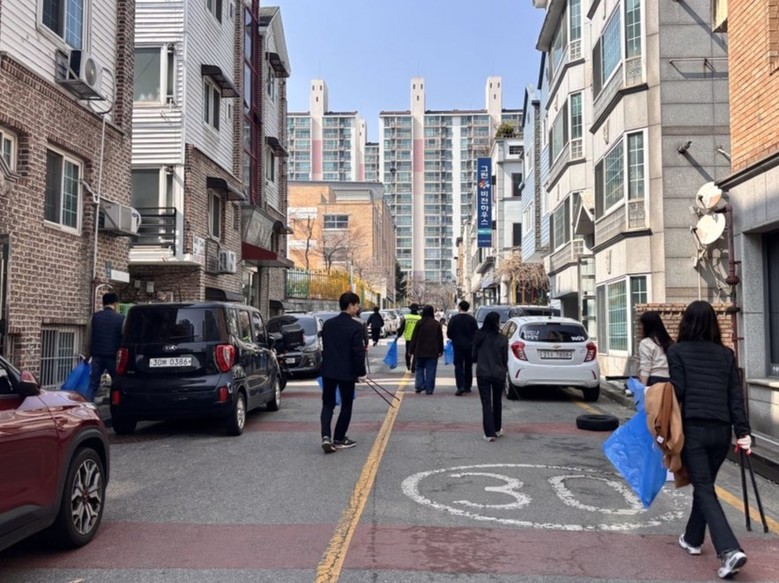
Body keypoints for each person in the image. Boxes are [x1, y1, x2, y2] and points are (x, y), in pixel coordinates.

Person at [667, 300, 751, 579]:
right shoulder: (726, 355)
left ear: (686, 323)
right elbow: (735, 396)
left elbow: (678, 391)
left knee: (703, 488)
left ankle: (729, 550)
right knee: (705, 486)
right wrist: (743, 433)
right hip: (721, 432)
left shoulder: (677, 351)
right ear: (714, 324)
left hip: (693, 429)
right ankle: (692, 539)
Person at [320, 292, 367, 454]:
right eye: (356, 305)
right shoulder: (355, 327)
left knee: (328, 404)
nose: (357, 308)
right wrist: (361, 373)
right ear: (351, 305)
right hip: (347, 373)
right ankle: (339, 438)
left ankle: (326, 436)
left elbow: (325, 346)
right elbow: (358, 353)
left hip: (328, 370)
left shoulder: (328, 324)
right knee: (346, 404)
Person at [472, 311, 508, 441]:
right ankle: (497, 429)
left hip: (483, 373)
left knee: (486, 403)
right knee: (497, 401)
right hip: (498, 373)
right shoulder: (503, 339)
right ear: (497, 323)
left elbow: (473, 356)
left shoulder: (479, 336)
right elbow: (505, 359)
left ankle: (489, 433)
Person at [85, 292, 125, 402]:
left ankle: (88, 406)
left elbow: (88, 338)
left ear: (103, 303)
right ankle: (116, 405)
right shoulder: (121, 318)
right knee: (117, 383)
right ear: (115, 304)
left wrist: (87, 355)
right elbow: (124, 339)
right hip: (113, 356)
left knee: (93, 384)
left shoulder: (94, 317)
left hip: (97, 356)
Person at [408, 305, 444, 394]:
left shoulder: (419, 323)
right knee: (431, 370)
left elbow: (414, 337)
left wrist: (411, 350)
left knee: (419, 368)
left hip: (420, 351)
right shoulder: (436, 324)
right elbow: (440, 338)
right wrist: (440, 350)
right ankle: (429, 389)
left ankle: (420, 385)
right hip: (433, 351)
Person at [447, 300, 478, 395]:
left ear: (459, 307)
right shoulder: (472, 319)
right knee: (468, 366)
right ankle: (468, 386)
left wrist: (454, 338)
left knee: (458, 366)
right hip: (469, 346)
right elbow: (476, 333)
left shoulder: (454, 319)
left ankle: (460, 386)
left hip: (457, 345)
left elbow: (449, 333)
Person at [638, 311, 673, 387]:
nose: (640, 328)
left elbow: (646, 367)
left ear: (646, 326)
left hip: (654, 380)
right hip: (670, 381)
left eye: (641, 325)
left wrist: (642, 388)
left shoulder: (646, 343)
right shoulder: (669, 342)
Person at [397, 303, 422, 372]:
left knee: (408, 352)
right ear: (417, 309)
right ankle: (414, 367)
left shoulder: (406, 317)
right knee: (416, 353)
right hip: (417, 338)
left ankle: (408, 364)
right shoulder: (420, 318)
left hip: (408, 338)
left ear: (410, 309)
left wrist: (398, 335)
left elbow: (402, 328)